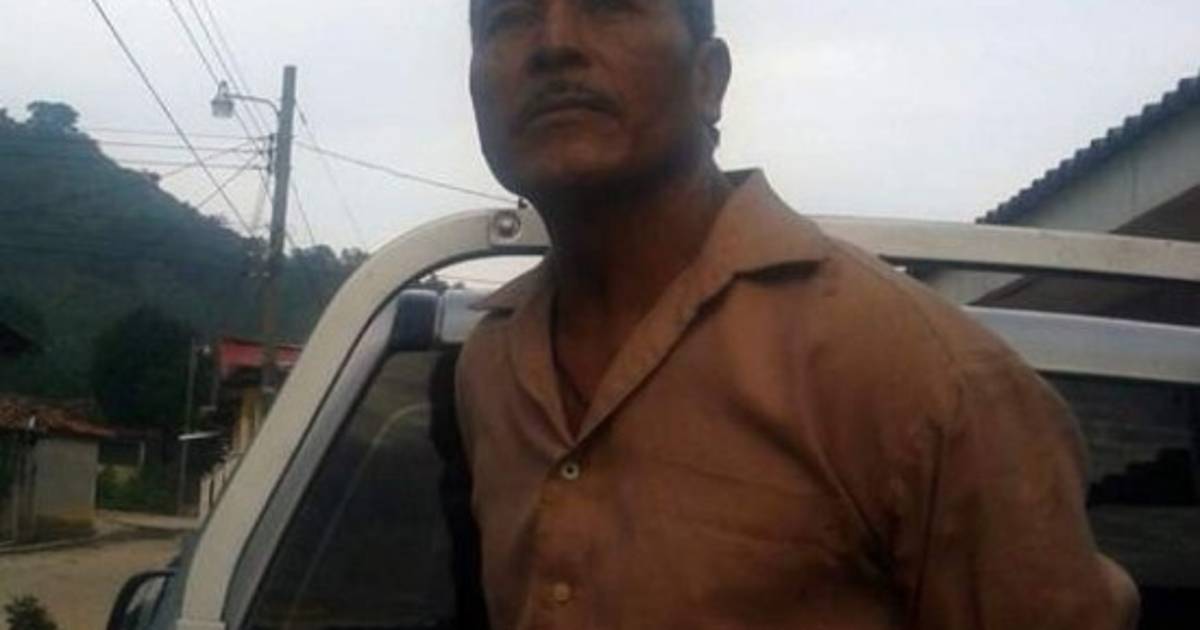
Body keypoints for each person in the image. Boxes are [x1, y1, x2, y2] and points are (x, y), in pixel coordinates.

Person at [454, 0, 1140, 628]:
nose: (553, 45)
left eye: (609, 8)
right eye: (507, 20)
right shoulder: (491, 367)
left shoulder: (922, 373)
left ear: (708, 80)